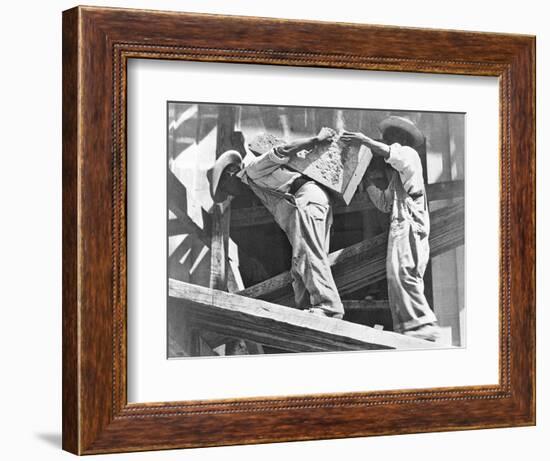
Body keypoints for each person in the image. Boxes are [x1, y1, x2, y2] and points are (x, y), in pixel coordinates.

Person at [211, 128, 344, 319]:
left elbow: (283, 150)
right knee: (300, 262)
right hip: (310, 202)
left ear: (231, 173)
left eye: (225, 188)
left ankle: (328, 306)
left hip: (306, 200)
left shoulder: (253, 170)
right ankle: (309, 308)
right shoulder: (253, 183)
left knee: (308, 254)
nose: (230, 193)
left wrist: (316, 139)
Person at [341, 116, 443, 342]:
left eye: (393, 137)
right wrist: (366, 182)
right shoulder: (398, 177)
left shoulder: (409, 155)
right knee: (397, 275)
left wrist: (365, 141)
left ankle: (422, 322)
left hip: (409, 223)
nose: (390, 141)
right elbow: (385, 202)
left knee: (405, 272)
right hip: (400, 223)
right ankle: (409, 327)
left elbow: (392, 153)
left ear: (401, 138)